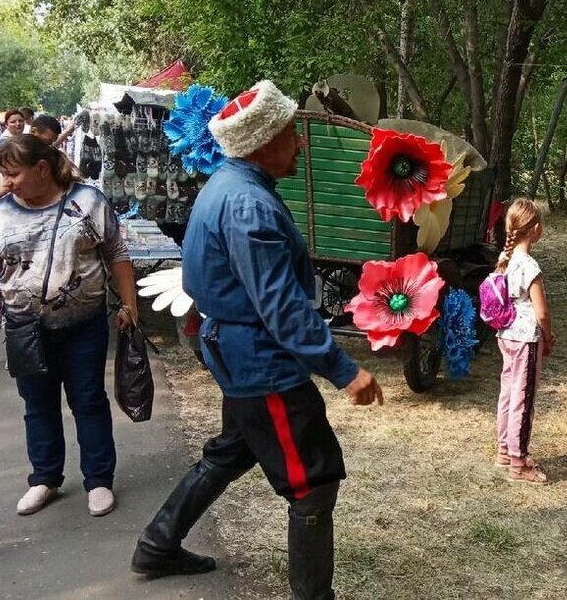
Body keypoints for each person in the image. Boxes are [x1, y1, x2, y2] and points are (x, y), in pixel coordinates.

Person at [130, 80, 383, 599]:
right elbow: (282, 307)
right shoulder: (249, 205)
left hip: (237, 354)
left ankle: (158, 544)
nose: (301, 143)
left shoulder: (225, 185)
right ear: (264, 142)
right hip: (263, 364)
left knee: (233, 451)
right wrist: (344, 370)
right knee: (313, 483)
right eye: (292, 133)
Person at [0, 134, 138, 517]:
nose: (6, 182)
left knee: (88, 400)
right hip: (24, 327)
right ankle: (44, 478)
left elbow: (116, 253)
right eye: (3, 174)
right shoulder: (0, 213)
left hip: (83, 325)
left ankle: (99, 480)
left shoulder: (87, 202)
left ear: (41, 168)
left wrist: (129, 303)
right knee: (37, 405)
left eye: (13, 173)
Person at [493, 198, 554, 485]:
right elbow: (541, 312)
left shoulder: (505, 261)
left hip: (506, 334)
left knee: (508, 393)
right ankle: (519, 463)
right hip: (526, 338)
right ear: (536, 229)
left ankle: (504, 450)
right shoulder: (530, 266)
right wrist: (549, 336)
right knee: (523, 398)